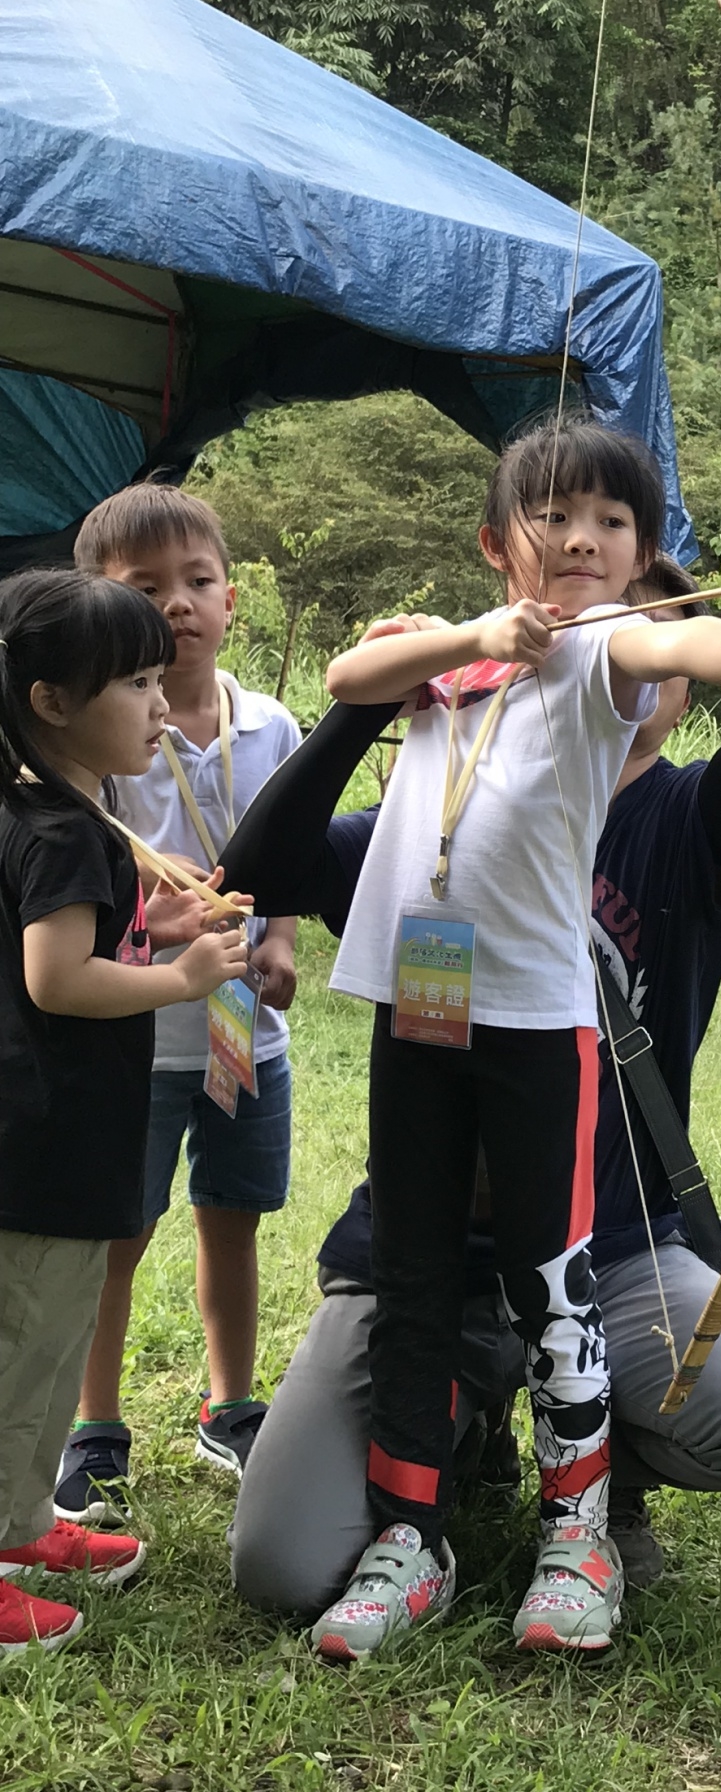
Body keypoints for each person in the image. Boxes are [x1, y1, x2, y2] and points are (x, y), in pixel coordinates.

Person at [218, 545, 721, 1616]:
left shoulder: (688, 821)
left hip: (613, 1251)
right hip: (421, 1256)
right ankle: (457, 1420)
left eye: (647, 632)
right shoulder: (439, 806)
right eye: (596, 622)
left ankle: (601, 1487)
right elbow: (258, 869)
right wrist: (368, 696)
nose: (624, 646)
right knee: (284, 1562)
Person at [0, 569, 247, 1654]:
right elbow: (58, 977)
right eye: (135, 680)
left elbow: (73, 939)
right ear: (52, 700)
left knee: (48, 1350)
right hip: (35, 1147)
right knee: (19, 1355)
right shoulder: (60, 823)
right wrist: (182, 972)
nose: (160, 700)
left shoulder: (53, 805)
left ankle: (24, 1522)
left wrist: (141, 918)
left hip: (57, 1141)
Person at [52, 488, 301, 1525]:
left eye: (197, 582)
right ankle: (93, 1426)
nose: (179, 604)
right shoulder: (101, 747)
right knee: (119, 1232)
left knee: (231, 1221)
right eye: (145, 588)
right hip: (139, 1043)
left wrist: (279, 940)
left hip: (251, 1039)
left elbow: (290, 854)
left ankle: (230, 1404)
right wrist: (152, 929)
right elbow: (86, 909)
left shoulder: (273, 723)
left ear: (232, 599)